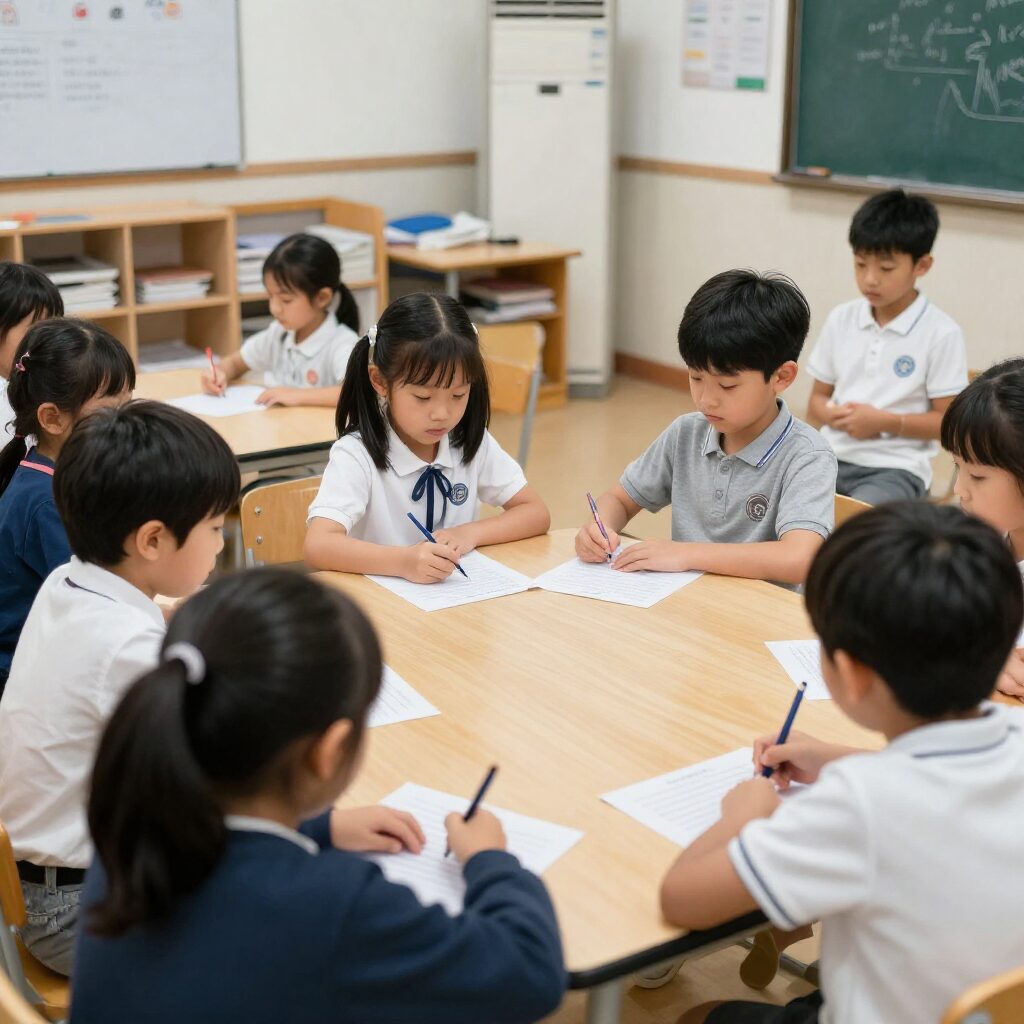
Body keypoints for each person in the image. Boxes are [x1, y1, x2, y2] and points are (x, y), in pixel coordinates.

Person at [72, 568, 567, 1024]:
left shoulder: (131, 827)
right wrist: (488, 860)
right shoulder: (333, 906)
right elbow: (529, 971)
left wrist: (321, 826)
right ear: (329, 752)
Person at [660, 502, 1024, 1024]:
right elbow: (939, 781)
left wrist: (745, 813)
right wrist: (834, 758)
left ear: (850, 674)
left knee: (699, 1016)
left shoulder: (858, 807)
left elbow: (681, 899)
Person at [0, 400, 239, 974]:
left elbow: (128, 640)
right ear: (152, 540)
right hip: (76, 910)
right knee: (279, 922)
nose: (223, 544)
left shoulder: (69, 579)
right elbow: (209, 774)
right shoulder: (125, 649)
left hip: (37, 883)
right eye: (213, 528)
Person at [577, 270, 835, 588]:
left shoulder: (807, 454)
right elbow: (619, 499)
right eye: (696, 378)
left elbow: (800, 559)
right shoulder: (686, 433)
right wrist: (598, 528)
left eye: (727, 385)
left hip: (759, 620)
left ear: (781, 377)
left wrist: (686, 554)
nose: (706, 400)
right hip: (686, 608)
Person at [305, 292, 550, 582]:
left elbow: (535, 512)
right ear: (380, 382)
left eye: (459, 395)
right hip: (383, 608)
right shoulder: (357, 454)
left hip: (455, 605)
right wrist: (404, 562)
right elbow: (318, 545)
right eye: (423, 397)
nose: (442, 414)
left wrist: (469, 532)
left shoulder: (468, 442)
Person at [806, 189, 967, 504]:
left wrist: (886, 422)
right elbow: (816, 400)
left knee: (859, 531)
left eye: (886, 268)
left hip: (896, 469)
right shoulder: (842, 318)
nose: (870, 279)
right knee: (780, 510)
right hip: (829, 457)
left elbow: (946, 425)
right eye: (860, 264)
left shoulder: (942, 333)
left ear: (922, 265)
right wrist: (831, 414)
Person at [201, 232, 360, 408]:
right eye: (270, 296)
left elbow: (357, 393)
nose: (274, 308)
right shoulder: (279, 334)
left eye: (286, 300)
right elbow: (235, 363)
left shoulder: (342, 344)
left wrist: (297, 396)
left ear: (322, 298)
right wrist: (220, 373)